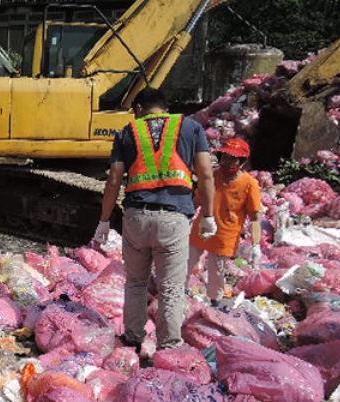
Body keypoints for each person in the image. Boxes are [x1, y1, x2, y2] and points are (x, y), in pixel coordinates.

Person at [92, 87, 217, 351]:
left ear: (139, 109)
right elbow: (206, 174)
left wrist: (104, 220)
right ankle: (169, 346)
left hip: (136, 217)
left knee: (136, 282)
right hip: (173, 219)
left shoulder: (128, 131)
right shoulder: (191, 128)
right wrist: (208, 215)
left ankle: (133, 339)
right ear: (165, 107)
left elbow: (114, 179)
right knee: (170, 287)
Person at [188, 137, 262, 306]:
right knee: (186, 262)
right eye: (225, 157)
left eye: (233, 159)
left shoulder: (249, 184)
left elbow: (255, 217)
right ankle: (179, 294)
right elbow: (197, 200)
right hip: (202, 228)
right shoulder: (211, 176)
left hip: (225, 236)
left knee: (216, 271)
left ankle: (215, 302)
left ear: (242, 161)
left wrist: (256, 244)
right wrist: (186, 216)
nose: (227, 162)